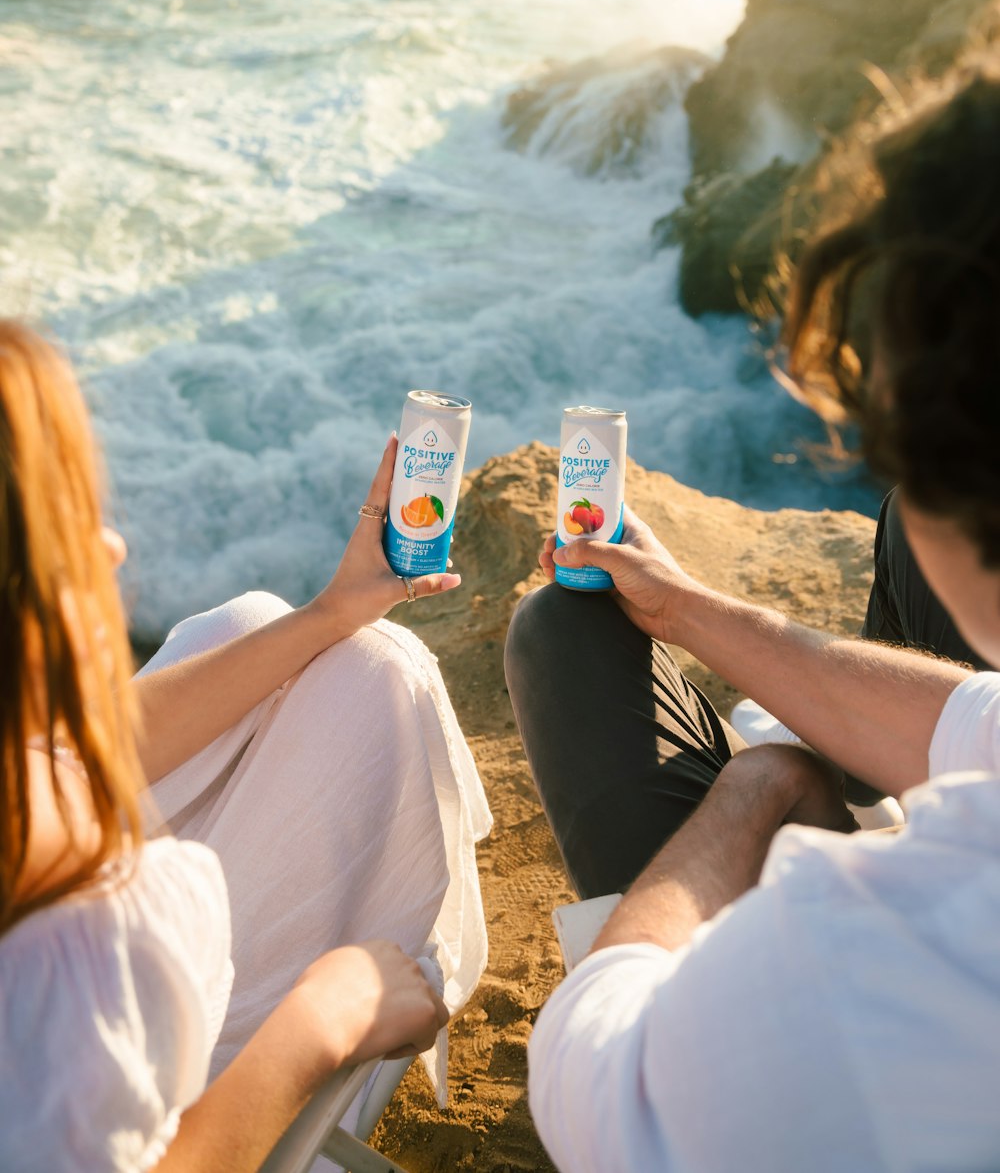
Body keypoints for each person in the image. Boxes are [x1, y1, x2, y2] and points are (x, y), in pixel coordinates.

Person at [505, 71, 1000, 1171]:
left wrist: (753, 791)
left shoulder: (888, 954)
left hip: (746, 1051)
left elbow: (589, 1070)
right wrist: (689, 611)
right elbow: (977, 720)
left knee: (561, 643)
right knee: (571, 627)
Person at [0, 319, 491, 1172]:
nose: (110, 543)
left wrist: (326, 614)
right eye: (62, 519)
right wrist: (321, 1018)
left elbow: (72, 755)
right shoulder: (104, 942)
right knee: (382, 681)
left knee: (264, 629)